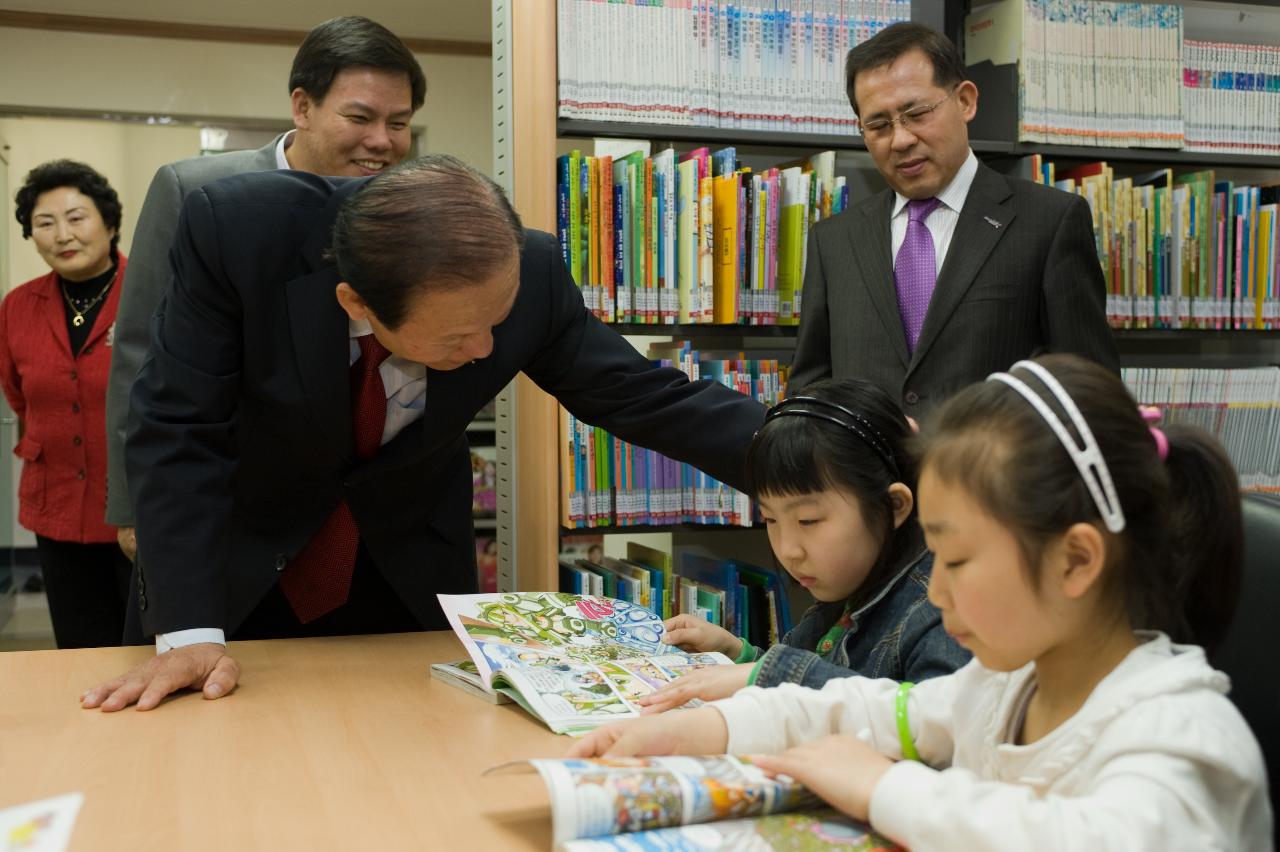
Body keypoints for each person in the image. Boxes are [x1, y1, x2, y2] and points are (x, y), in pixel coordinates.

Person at [80, 155, 766, 712]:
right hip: (237, 561)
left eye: (495, 321)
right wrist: (190, 630)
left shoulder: (528, 272)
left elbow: (646, 396)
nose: (484, 350)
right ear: (355, 301)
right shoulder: (234, 233)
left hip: (405, 566)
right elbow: (178, 423)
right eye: (457, 335)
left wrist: (814, 458)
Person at [568, 354, 1273, 849]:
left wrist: (882, 789)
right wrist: (701, 732)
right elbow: (870, 709)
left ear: (1077, 559)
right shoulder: (1003, 687)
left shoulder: (1186, 736)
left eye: (958, 560)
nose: (934, 590)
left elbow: (1083, 839)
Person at [104, 15, 425, 563]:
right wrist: (136, 508)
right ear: (302, 107)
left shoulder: (408, 206)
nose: (382, 141)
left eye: (399, 123)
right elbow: (138, 354)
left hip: (366, 508)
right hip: (230, 493)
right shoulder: (195, 190)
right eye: (360, 117)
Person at [789, 22, 1118, 418]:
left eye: (917, 113)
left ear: (965, 101)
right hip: (871, 480)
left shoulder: (1049, 222)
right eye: (878, 126)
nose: (900, 139)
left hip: (994, 478)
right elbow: (810, 396)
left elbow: (1090, 397)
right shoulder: (834, 241)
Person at [637, 378, 967, 713]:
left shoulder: (942, 612)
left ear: (894, 505)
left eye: (808, 521)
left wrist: (767, 675)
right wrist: (738, 654)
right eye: (771, 520)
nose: (789, 550)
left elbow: (936, 725)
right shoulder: (843, 591)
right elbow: (813, 684)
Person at [3, 160, 131, 648]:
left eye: (77, 217)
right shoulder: (17, 305)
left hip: (136, 514)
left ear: (110, 223)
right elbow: (19, 396)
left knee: (145, 648)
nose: (62, 235)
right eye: (44, 223)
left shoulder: (150, 292)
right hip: (55, 506)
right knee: (77, 649)